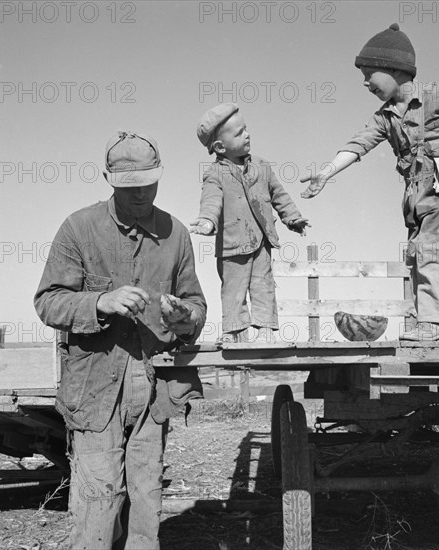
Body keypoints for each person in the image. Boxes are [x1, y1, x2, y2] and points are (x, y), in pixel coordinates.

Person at [34, 131, 207, 549]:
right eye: (131, 187)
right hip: (94, 389)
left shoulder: (176, 234)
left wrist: (185, 317)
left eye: (149, 184)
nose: (142, 194)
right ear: (109, 179)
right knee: (99, 496)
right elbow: (48, 302)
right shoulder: (79, 228)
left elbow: (196, 306)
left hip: (155, 389)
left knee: (146, 495)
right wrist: (101, 302)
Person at [300, 23, 439, 341]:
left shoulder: (437, 96)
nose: (365, 83)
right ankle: (428, 322)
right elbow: (358, 144)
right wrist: (326, 172)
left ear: (394, 69)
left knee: (436, 249)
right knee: (418, 253)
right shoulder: (384, 117)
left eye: (369, 74)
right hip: (415, 191)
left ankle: (436, 325)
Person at [191, 103, 310, 343]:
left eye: (246, 129)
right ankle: (234, 332)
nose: (247, 135)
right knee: (233, 291)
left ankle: (265, 330)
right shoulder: (215, 173)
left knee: (263, 286)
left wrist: (292, 218)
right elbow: (211, 199)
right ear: (219, 146)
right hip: (232, 245)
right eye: (239, 133)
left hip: (261, 241)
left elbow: (280, 195)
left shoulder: (262, 167)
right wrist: (207, 220)